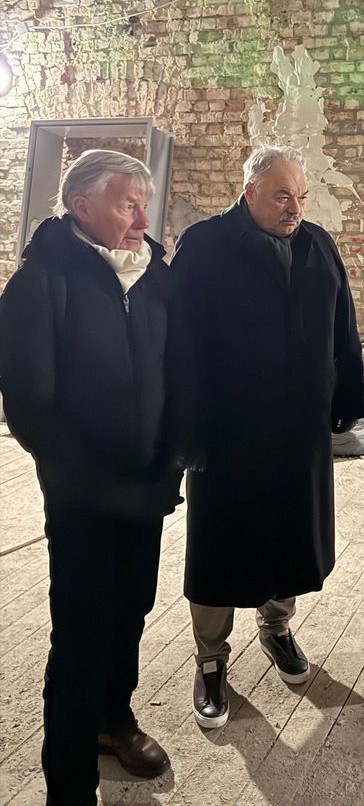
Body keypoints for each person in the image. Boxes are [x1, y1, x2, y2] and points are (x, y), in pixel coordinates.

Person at [0, 150, 181, 806]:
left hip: (150, 487)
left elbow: (178, 370)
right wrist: (83, 472)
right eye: (127, 202)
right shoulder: (42, 282)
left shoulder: (156, 276)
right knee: (79, 633)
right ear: (82, 207)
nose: (142, 215)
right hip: (84, 496)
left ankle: (116, 722)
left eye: (144, 201)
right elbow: (27, 400)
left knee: (130, 613)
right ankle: (69, 783)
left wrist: (175, 452)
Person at [170, 145, 364, 729]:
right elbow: (179, 344)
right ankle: (210, 660)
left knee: (291, 534)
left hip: (299, 427)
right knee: (220, 544)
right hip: (226, 430)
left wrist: (348, 400)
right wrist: (187, 428)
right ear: (249, 191)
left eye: (301, 196)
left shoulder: (316, 243)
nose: (294, 208)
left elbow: (343, 325)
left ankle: (276, 627)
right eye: (283, 195)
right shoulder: (205, 245)